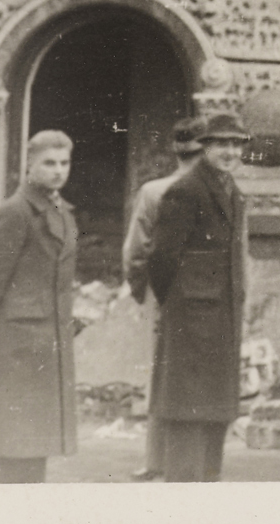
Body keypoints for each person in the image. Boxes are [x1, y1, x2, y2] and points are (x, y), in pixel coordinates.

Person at [147, 112, 249, 482]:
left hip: (222, 321)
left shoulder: (231, 191)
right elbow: (160, 258)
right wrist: (180, 305)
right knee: (188, 413)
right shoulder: (186, 191)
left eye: (236, 144)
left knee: (215, 414)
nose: (230, 151)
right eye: (222, 143)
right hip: (190, 322)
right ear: (205, 147)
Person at [0, 130, 79, 483]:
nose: (58, 171)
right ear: (29, 165)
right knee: (10, 446)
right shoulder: (15, 212)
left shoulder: (62, 212)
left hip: (48, 344)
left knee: (34, 447)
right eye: (49, 163)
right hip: (17, 346)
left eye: (64, 163)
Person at [121, 116, 205, 481]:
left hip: (165, 292)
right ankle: (192, 460)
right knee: (198, 375)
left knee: (162, 372)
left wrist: (141, 289)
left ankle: (156, 459)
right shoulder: (213, 191)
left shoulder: (153, 191)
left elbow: (135, 251)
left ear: (175, 150)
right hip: (205, 296)